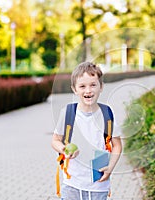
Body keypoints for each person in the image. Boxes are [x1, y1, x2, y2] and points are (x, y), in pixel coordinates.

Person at [51, 62, 122, 200]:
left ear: (101, 87)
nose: (88, 90)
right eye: (82, 86)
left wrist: (110, 167)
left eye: (93, 85)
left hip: (99, 185)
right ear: (74, 89)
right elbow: (55, 140)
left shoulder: (107, 114)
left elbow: (117, 145)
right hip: (72, 183)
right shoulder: (68, 113)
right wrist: (64, 149)